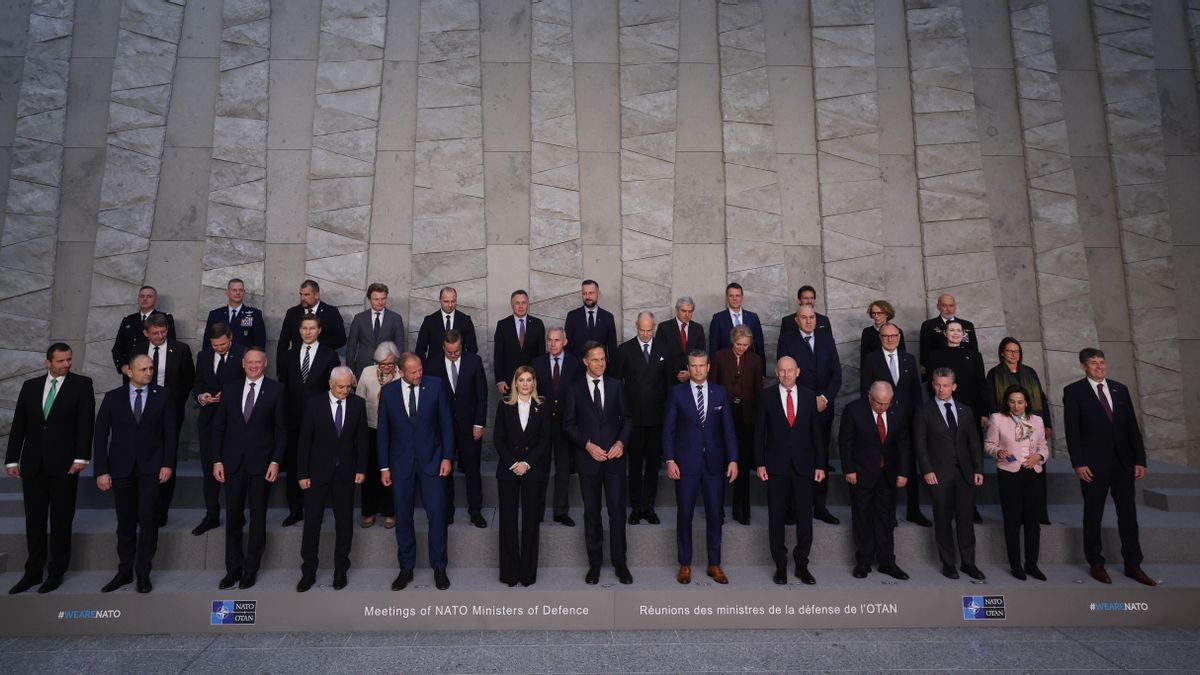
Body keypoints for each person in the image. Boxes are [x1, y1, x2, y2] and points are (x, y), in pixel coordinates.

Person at [6, 343, 95, 595]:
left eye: (69, 359)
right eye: (61, 361)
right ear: (48, 362)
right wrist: (12, 460)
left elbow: (86, 424)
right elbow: (19, 425)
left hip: (65, 465)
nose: (66, 364)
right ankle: (33, 572)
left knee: (60, 519)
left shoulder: (82, 385)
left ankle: (56, 572)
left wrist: (81, 458)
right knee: (34, 520)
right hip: (33, 464)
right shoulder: (30, 387)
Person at [1063, 348, 1155, 586]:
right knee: (1093, 514)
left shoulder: (1120, 389)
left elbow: (1132, 428)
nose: (1099, 367)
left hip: (1123, 463)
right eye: (1094, 363)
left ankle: (1133, 564)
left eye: (1102, 362)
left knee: (1128, 515)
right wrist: (1078, 463)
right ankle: (1096, 562)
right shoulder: (1074, 392)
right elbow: (1072, 431)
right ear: (1084, 366)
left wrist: (1139, 459)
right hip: (1092, 465)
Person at [93, 354, 177, 594]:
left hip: (152, 469)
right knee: (125, 523)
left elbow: (171, 434)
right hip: (121, 469)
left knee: (148, 520)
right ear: (128, 371)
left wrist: (167, 464)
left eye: (151, 368)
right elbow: (100, 437)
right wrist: (101, 470)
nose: (148, 373)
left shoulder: (163, 395)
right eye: (143, 369)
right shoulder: (112, 398)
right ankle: (124, 572)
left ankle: (143, 573)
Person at [378, 352, 455, 591]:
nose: (419, 374)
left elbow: (446, 424)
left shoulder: (435, 385)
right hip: (401, 465)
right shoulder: (389, 393)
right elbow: (383, 432)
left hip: (432, 461)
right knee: (402, 518)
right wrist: (384, 466)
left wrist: (447, 457)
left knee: (437, 515)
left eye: (420, 369)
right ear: (401, 372)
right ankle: (406, 568)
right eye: (413, 372)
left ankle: (439, 567)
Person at [212, 347, 287, 590]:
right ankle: (232, 569)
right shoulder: (230, 388)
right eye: (250, 362)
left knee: (257, 518)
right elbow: (219, 428)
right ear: (243, 364)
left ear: (265, 363)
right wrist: (217, 460)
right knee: (233, 517)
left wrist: (276, 461)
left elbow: (281, 432)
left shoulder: (276, 390)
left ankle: (250, 569)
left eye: (258, 362)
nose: (254, 366)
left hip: (261, 465)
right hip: (232, 464)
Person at [663, 350, 738, 585]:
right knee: (685, 514)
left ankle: (714, 563)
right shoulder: (677, 393)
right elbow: (668, 430)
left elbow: (728, 430)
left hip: (714, 464)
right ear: (689, 366)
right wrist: (670, 459)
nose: (697, 369)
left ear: (708, 367)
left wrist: (733, 459)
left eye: (701, 365)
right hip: (685, 464)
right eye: (693, 366)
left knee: (715, 515)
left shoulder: (720, 393)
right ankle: (685, 564)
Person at [564, 341, 634, 585]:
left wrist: (621, 443)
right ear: (585, 361)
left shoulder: (616, 386)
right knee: (592, 513)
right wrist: (587, 445)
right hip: (589, 461)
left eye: (603, 359)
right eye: (595, 359)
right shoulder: (574, 389)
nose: (601, 363)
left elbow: (627, 419)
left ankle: (620, 563)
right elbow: (569, 425)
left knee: (617, 513)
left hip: (615, 460)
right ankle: (594, 563)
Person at [296, 367, 368, 592]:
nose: (345, 391)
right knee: (312, 523)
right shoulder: (314, 404)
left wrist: (361, 469)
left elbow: (362, 441)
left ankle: (340, 570)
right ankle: (308, 571)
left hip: (346, 473)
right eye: (340, 387)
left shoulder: (357, 404)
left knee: (345, 522)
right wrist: (302, 473)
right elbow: (304, 441)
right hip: (316, 473)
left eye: (349, 386)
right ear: (330, 384)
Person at [755, 356, 825, 585]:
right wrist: (760, 463)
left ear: (798, 372)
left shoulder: (808, 396)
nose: (786, 375)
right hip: (775, 466)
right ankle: (781, 565)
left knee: (805, 517)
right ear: (776, 373)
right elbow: (759, 434)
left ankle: (802, 564)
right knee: (776, 518)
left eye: (790, 371)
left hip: (804, 466)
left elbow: (817, 434)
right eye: (782, 371)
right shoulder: (766, 396)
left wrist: (820, 465)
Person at [913, 367, 985, 580]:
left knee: (965, 520)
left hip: (965, 474)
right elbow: (920, 444)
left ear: (954, 386)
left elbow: (974, 442)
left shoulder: (965, 410)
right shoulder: (923, 411)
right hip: (938, 474)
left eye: (945, 385)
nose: (940, 389)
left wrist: (978, 469)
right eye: (937, 385)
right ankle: (948, 563)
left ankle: (969, 563)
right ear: (932, 385)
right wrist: (927, 470)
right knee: (943, 520)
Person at [125, 313, 193, 528]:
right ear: (146, 333)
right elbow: (130, 380)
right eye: (155, 332)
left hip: (169, 411)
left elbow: (188, 380)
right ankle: (139, 509)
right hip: (140, 412)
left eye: (163, 331)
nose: (160, 335)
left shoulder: (180, 349)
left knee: (166, 458)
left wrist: (169, 403)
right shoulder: (137, 350)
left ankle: (161, 511)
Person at [777, 304, 842, 525]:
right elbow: (785, 375)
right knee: (796, 455)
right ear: (796, 319)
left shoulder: (826, 338)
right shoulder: (788, 339)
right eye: (803, 318)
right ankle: (793, 507)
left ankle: (820, 506)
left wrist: (824, 398)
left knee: (820, 455)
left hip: (823, 408)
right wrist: (806, 400)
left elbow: (836, 373)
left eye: (811, 317)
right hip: (798, 408)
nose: (808, 321)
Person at [860, 322, 931, 527]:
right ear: (880, 338)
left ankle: (913, 510)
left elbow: (916, 393)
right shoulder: (871, 359)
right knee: (887, 466)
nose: (890, 339)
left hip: (907, 421)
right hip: (883, 420)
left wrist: (919, 419)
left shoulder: (909, 359)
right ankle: (887, 513)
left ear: (899, 337)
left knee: (909, 464)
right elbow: (866, 390)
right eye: (885, 336)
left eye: (894, 336)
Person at [839, 381, 911, 581]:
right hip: (861, 473)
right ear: (870, 397)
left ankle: (887, 561)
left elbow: (904, 443)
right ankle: (863, 561)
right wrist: (849, 469)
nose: (883, 407)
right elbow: (845, 442)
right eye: (879, 403)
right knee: (862, 517)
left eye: (887, 403)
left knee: (886, 519)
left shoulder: (897, 411)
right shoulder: (854, 410)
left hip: (888, 474)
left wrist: (903, 472)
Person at [493, 366, 553, 586]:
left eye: (529, 380)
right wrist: (513, 464)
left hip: (533, 470)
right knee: (508, 522)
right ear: (515, 383)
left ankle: (528, 574)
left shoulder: (542, 407)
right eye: (522, 380)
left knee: (530, 523)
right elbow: (498, 438)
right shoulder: (504, 405)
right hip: (508, 471)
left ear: (534, 382)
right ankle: (509, 573)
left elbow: (545, 440)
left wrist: (527, 463)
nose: (526, 384)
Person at [279, 314, 341, 527]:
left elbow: (333, 389)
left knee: (318, 463)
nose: (308, 332)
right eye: (304, 328)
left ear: (319, 330)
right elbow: (283, 386)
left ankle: (315, 508)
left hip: (320, 420)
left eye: (312, 328)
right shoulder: (288, 355)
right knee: (295, 462)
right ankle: (295, 509)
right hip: (293, 419)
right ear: (299, 330)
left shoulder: (330, 355)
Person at [425, 330, 489, 527]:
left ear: (462, 346)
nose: (453, 355)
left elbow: (482, 395)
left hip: (469, 427)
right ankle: (448, 511)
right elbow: (430, 399)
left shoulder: (474, 362)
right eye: (450, 352)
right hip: (443, 428)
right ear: (443, 347)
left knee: (472, 469)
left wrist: (479, 423)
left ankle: (475, 511)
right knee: (445, 471)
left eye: (457, 351)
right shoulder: (433, 364)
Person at [984, 385, 1048, 581]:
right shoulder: (998, 419)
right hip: (1009, 473)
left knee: (1032, 522)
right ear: (1007, 402)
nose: (1016, 405)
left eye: (1020, 402)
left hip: (1032, 473)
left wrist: (1039, 456)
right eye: (1012, 401)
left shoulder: (1036, 420)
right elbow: (989, 445)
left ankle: (1032, 565)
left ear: (1026, 402)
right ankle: (1016, 566)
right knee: (1012, 521)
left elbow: (1044, 446)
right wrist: (998, 452)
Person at [190, 322, 245, 536]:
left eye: (223, 344)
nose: (219, 348)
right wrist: (201, 396)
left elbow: (250, 383)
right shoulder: (204, 356)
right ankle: (211, 515)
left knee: (235, 471)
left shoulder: (242, 354)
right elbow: (197, 384)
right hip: (209, 420)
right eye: (215, 346)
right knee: (209, 470)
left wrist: (230, 396)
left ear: (230, 337)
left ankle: (237, 515)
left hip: (234, 422)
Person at [614, 311, 668, 525]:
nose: (645, 334)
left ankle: (649, 506)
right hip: (633, 419)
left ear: (654, 327)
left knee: (653, 465)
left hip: (656, 418)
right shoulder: (624, 350)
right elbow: (617, 385)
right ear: (636, 326)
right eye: (641, 330)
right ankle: (636, 507)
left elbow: (668, 385)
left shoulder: (664, 349)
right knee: (635, 464)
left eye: (649, 330)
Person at [710, 325, 763, 524]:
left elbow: (759, 390)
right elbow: (712, 386)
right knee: (721, 461)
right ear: (732, 341)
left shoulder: (756, 360)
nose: (742, 348)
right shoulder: (719, 357)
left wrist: (759, 420)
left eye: (746, 345)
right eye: (739, 344)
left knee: (742, 461)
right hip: (723, 414)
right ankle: (718, 510)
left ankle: (742, 509)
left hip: (746, 417)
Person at [533, 327, 583, 526]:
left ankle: (560, 511)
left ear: (565, 341)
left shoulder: (575, 363)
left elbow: (579, 393)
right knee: (541, 468)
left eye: (556, 340)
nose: (552, 344)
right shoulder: (537, 363)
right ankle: (536, 510)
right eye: (549, 340)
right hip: (543, 425)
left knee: (563, 468)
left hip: (566, 424)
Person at [354, 341, 400, 529]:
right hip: (370, 429)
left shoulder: (400, 374)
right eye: (382, 363)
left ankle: (389, 512)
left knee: (390, 471)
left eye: (390, 363)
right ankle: (368, 512)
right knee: (371, 471)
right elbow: (358, 402)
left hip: (393, 431)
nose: (387, 367)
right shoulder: (367, 372)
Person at [277, 279, 347, 370]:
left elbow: (341, 338)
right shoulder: (292, 313)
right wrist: (280, 369)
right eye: (301, 294)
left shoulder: (331, 312)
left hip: (323, 364)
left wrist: (316, 347)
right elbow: (283, 343)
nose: (302, 298)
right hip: (297, 365)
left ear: (317, 295)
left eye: (306, 295)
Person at [111, 285, 177, 374]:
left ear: (155, 300)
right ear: (138, 299)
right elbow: (118, 348)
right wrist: (122, 366)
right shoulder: (128, 320)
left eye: (149, 296)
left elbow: (171, 345)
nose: (145, 299)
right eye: (142, 296)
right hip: (133, 371)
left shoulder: (165, 318)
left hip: (155, 369)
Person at [346, 282, 407, 379]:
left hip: (389, 369)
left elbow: (400, 346)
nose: (380, 302)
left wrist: (399, 370)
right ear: (369, 299)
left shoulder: (395, 318)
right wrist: (350, 372)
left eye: (383, 299)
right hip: (362, 367)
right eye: (376, 299)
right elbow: (351, 347)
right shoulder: (359, 318)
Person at [493, 289, 546, 394]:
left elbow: (541, 355)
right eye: (517, 303)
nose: (520, 306)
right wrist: (500, 380)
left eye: (523, 303)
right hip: (509, 382)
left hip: (531, 381)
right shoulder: (502, 325)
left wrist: (539, 379)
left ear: (528, 304)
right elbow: (498, 355)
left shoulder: (538, 324)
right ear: (512, 305)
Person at [918, 293, 979, 379]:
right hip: (941, 374)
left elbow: (974, 351)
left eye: (951, 305)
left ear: (955, 306)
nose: (949, 309)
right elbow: (925, 354)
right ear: (938, 307)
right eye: (944, 306)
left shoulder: (967, 325)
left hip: (966, 373)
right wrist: (928, 378)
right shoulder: (929, 325)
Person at [414, 286, 478, 363]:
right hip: (435, 369)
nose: (450, 305)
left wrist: (465, 366)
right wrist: (426, 367)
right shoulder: (429, 321)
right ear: (440, 300)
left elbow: (472, 348)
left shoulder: (465, 320)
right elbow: (420, 348)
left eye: (453, 301)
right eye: (446, 301)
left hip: (459, 368)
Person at [204, 278, 265, 348]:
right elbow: (207, 342)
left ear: (244, 292)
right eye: (234, 290)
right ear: (227, 292)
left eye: (241, 290)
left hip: (244, 357)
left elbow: (259, 343)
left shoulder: (255, 314)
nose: (238, 293)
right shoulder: (215, 315)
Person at [658, 296, 706, 386]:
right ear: (677, 310)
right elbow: (660, 355)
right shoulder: (664, 328)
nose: (687, 314)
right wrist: (676, 372)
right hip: (669, 379)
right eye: (683, 311)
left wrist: (690, 373)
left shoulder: (698, 329)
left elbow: (702, 354)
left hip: (692, 379)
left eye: (690, 311)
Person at [564, 279, 618, 359]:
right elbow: (567, 346)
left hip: (600, 368)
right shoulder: (572, 316)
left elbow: (612, 349)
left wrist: (612, 370)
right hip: (577, 368)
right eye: (584, 293)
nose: (587, 297)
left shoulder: (607, 318)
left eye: (591, 293)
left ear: (598, 294)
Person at [709, 282, 765, 357]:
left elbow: (759, 347)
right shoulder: (718, 318)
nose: (734, 299)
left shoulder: (753, 318)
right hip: (726, 364)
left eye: (737, 296)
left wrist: (762, 368)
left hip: (749, 364)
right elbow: (713, 347)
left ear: (742, 297)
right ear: (727, 297)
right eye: (731, 296)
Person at [859, 300, 907, 366]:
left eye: (879, 313)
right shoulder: (867, 332)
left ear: (887, 314)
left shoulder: (897, 331)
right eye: (874, 313)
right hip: (874, 369)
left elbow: (902, 354)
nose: (876, 316)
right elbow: (864, 357)